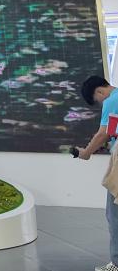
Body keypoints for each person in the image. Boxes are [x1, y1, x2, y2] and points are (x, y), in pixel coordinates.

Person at [79, 75, 118, 271]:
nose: (101, 103)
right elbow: (111, 133)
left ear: (100, 91)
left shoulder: (112, 100)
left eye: (98, 100)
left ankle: (117, 264)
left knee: (114, 213)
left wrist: (86, 152)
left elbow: (103, 134)